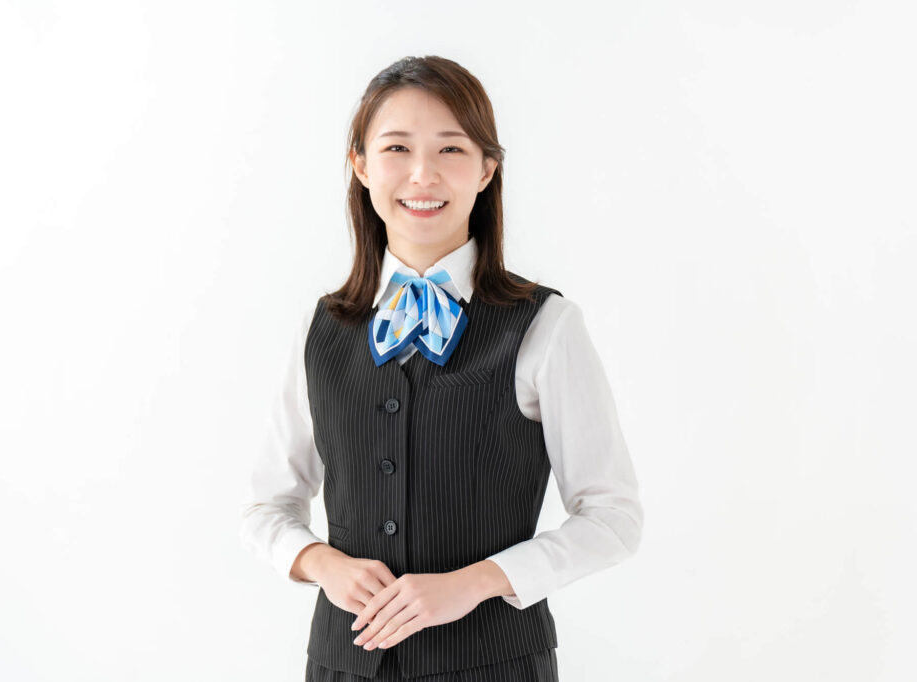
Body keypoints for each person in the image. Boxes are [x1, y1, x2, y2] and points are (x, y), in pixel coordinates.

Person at [240, 55, 644, 682]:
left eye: (450, 149)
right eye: (397, 147)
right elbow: (267, 505)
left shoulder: (546, 326)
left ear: (487, 169)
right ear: (361, 165)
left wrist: (476, 582)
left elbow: (613, 518)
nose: (422, 174)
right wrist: (323, 564)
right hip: (342, 665)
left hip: (495, 667)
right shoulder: (322, 328)